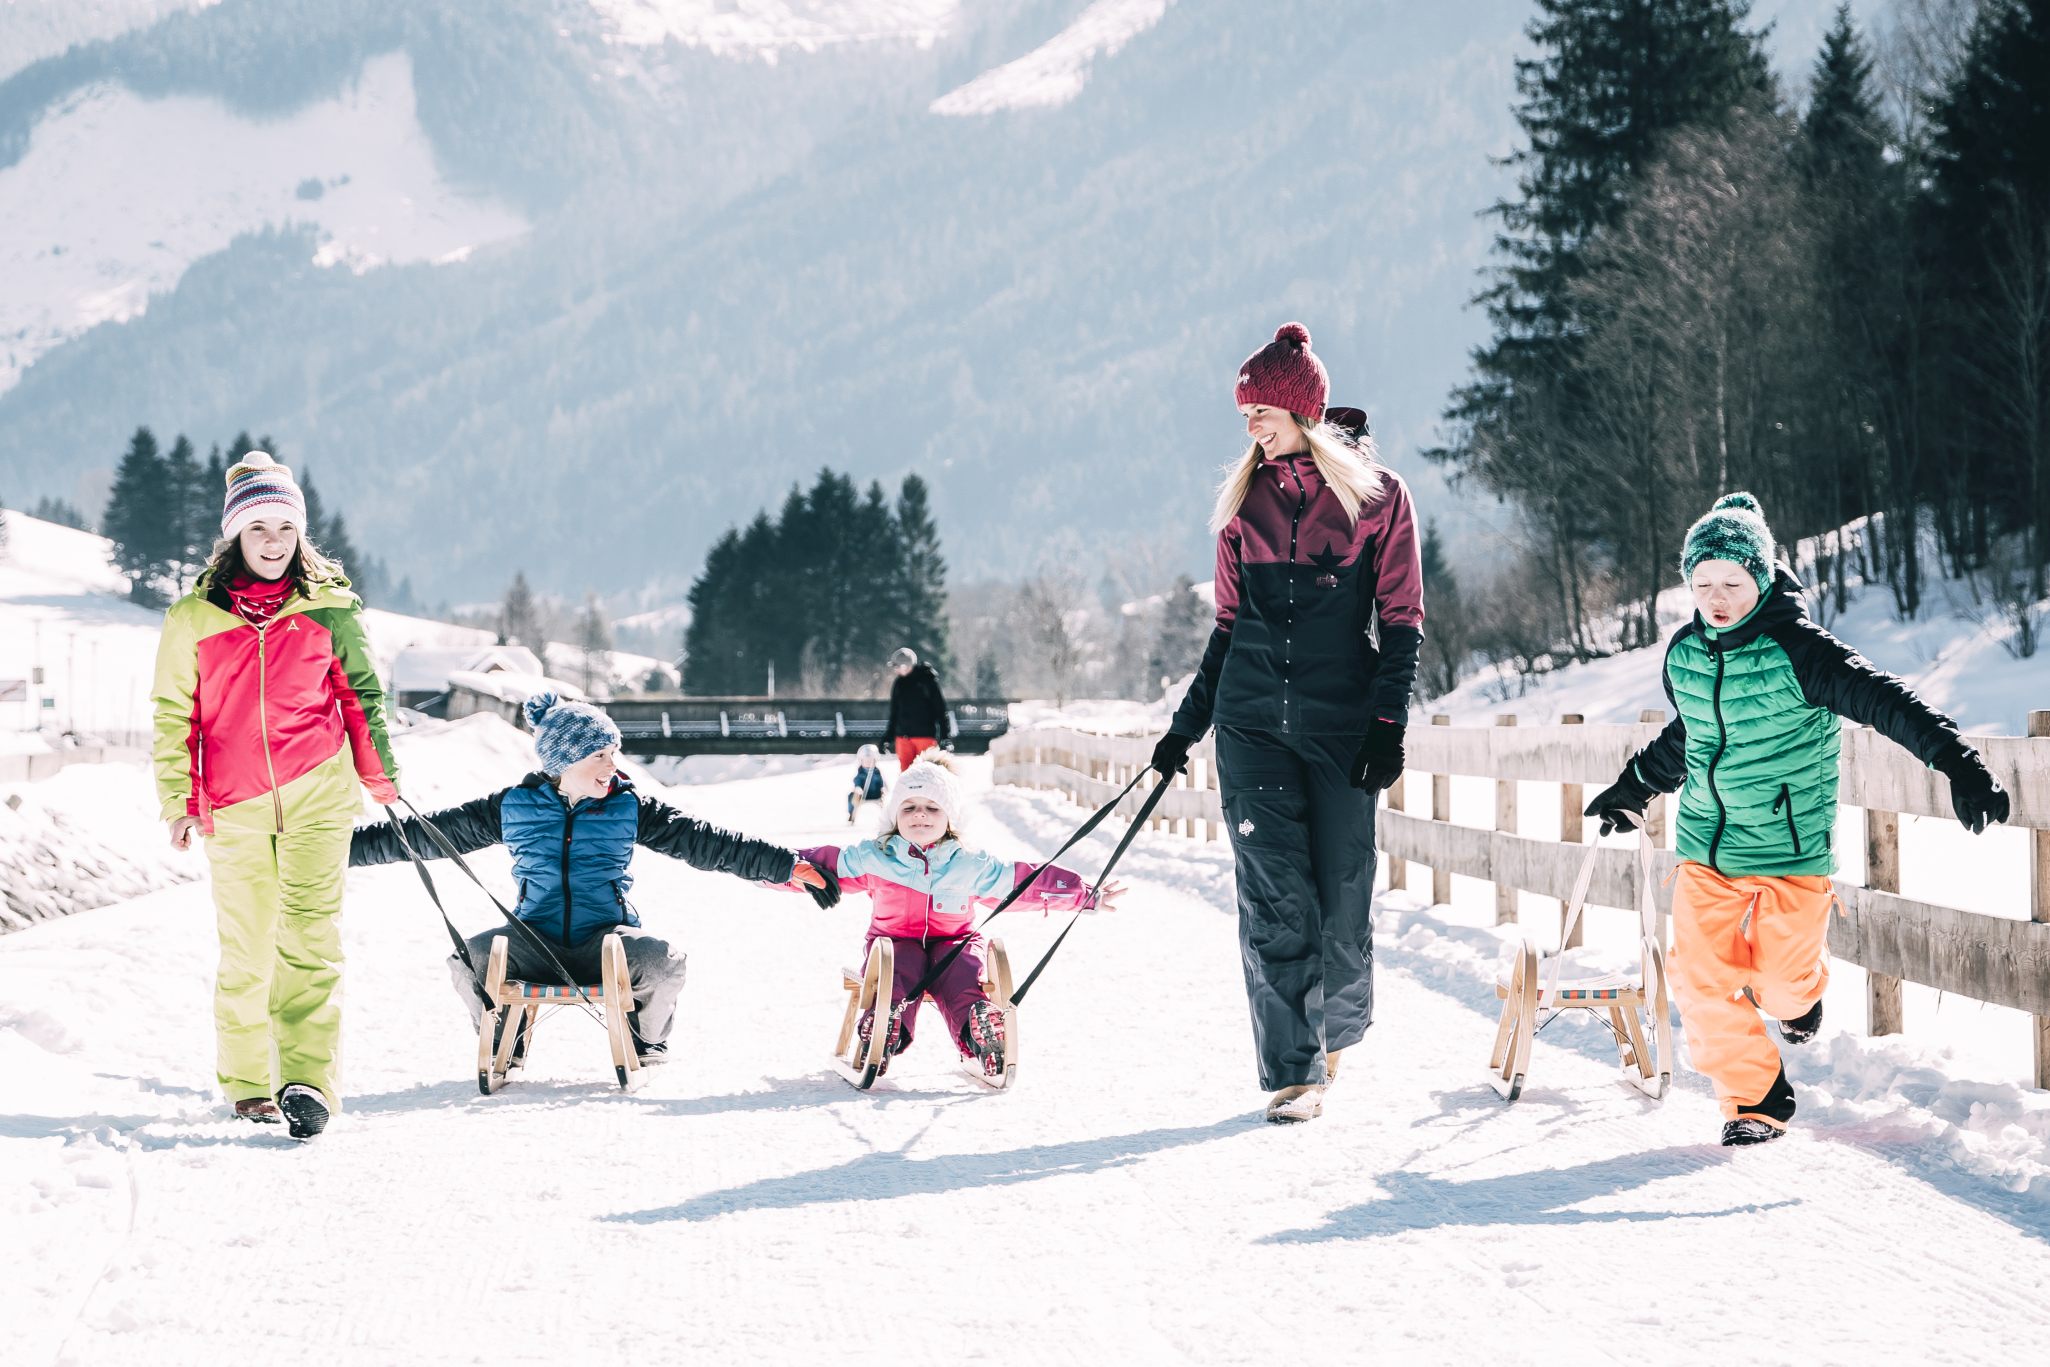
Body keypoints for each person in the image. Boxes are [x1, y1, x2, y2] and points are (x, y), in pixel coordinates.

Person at [1585, 492, 2009, 1146]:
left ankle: (1801, 1003)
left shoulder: (1801, 652)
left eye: (1731, 581)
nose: (1717, 598)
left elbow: (1884, 700)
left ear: (1760, 577)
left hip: (1788, 851)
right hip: (1703, 850)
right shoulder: (1686, 655)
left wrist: (1957, 761)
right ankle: (1755, 1101)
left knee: (1782, 986)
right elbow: (1689, 737)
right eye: (1702, 585)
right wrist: (1632, 788)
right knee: (1700, 984)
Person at [1147, 323, 1425, 1124]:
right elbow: (1228, 627)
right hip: (1251, 723)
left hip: (1341, 724)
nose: (1250, 427)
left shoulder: (1378, 498)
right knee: (1275, 895)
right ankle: (1293, 1070)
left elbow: (1401, 619)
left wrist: (1386, 721)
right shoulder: (1244, 503)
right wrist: (1184, 727)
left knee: (1341, 895)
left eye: (1260, 411)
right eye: (1244, 415)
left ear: (1302, 409)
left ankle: (1333, 1032)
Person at [347, 693, 836, 1065]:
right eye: (600, 754)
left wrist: (786, 865)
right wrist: (335, 850)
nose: (612, 765)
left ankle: (645, 1039)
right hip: (532, 941)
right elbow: (418, 836)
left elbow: (707, 842)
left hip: (607, 942)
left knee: (665, 963)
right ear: (565, 760)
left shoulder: (629, 805)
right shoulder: (511, 807)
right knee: (469, 959)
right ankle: (503, 1036)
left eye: (613, 753)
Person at [151, 452, 399, 1139]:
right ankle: (249, 1080)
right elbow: (174, 714)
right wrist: (178, 799)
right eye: (258, 526)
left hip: (319, 792)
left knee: (311, 939)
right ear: (234, 534)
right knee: (250, 943)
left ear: (300, 532)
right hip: (231, 803)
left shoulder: (330, 608)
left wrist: (379, 772)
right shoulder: (193, 619)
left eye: (284, 526)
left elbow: (361, 696)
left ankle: (308, 1082)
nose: (272, 541)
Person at [787, 751, 1121, 1080]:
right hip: (893, 943)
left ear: (950, 818)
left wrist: (1084, 894)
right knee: (899, 971)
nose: (921, 815)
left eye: (933, 808)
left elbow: (1024, 883)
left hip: (955, 942)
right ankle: (885, 1027)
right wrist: (770, 865)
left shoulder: (969, 865)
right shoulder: (876, 858)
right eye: (910, 807)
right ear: (894, 815)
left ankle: (980, 1028)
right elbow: (816, 865)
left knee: (962, 974)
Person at [880, 646, 950, 770]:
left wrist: (945, 736)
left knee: (926, 772)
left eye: (896, 666)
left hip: (925, 736)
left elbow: (940, 710)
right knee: (906, 775)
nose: (895, 670)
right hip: (903, 737)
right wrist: (888, 737)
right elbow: (895, 713)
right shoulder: (899, 683)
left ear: (905, 666)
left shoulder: (927, 681)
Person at [848, 742, 885, 824]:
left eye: (870, 761)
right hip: (862, 794)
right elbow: (857, 781)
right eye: (866, 761)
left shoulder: (876, 772)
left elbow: (881, 783)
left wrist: (883, 788)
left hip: (876, 794)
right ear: (861, 761)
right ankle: (851, 813)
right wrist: (858, 788)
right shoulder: (860, 772)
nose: (868, 763)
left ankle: (886, 816)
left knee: (886, 799)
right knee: (851, 796)